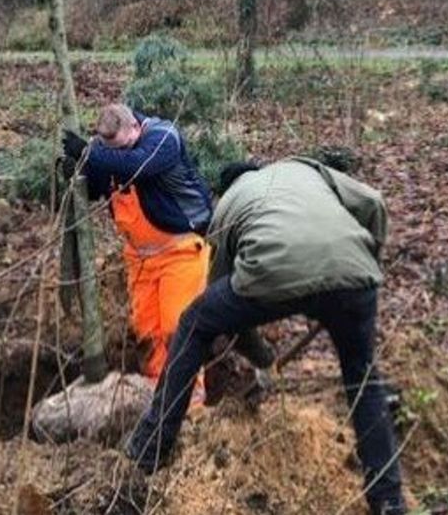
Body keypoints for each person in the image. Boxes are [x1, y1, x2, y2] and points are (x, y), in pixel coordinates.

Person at [125, 156, 407, 515]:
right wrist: (369, 262)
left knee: (194, 321)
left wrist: (258, 356)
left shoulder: (226, 207)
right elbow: (374, 203)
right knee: (363, 381)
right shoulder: (305, 168)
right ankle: (388, 502)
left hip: (271, 273)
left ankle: (149, 450)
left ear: (226, 188)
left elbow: (224, 313)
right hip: (355, 274)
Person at [62, 104, 213, 395]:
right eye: (111, 150)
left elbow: (137, 166)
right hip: (139, 259)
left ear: (135, 128)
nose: (118, 155)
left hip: (180, 252)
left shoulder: (164, 138)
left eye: (123, 147)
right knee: (147, 333)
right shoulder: (106, 150)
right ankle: (157, 393)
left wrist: (90, 154)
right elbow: (95, 187)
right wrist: (77, 170)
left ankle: (190, 404)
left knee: (176, 330)